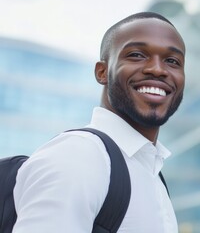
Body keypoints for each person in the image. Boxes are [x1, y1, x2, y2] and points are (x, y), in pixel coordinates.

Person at [12, 12, 185, 233]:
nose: (158, 69)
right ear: (102, 72)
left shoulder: (150, 170)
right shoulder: (78, 157)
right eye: (137, 55)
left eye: (172, 61)